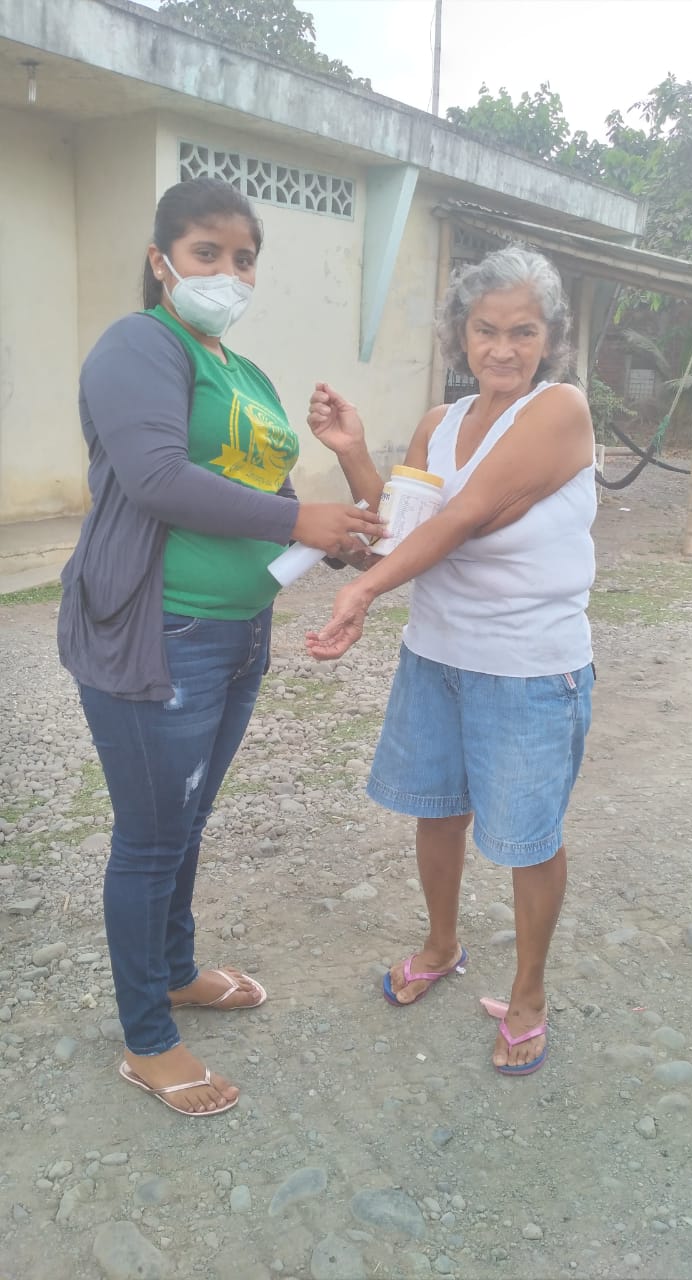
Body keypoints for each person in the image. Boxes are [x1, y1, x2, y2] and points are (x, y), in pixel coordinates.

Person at [58, 178, 384, 1116]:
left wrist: (340, 519)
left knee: (186, 823)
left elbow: (271, 501)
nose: (228, 274)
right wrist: (301, 515)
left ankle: (175, 970)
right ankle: (147, 1040)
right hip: (159, 633)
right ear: (161, 259)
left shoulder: (244, 374)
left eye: (244, 259)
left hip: (238, 635)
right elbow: (158, 478)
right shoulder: (138, 345)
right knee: (151, 838)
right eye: (208, 253)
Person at [306, 246, 596, 1077]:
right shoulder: (440, 422)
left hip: (529, 667)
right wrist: (353, 453)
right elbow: (399, 534)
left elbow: (464, 517)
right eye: (485, 330)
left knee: (527, 839)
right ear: (459, 335)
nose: (502, 349)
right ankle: (441, 946)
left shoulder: (560, 409)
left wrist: (363, 595)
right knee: (437, 813)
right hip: (435, 654)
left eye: (523, 332)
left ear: (550, 338)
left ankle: (529, 993)